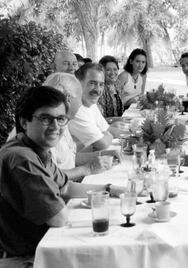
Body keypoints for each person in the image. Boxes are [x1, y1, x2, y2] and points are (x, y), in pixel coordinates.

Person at [0, 86, 125, 266]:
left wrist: (110, 189)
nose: (55, 126)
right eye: (45, 118)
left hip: (38, 247)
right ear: (24, 121)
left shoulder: (35, 148)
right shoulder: (21, 158)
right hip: (25, 259)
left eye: (60, 119)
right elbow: (58, 218)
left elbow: (66, 186)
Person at [70, 63, 126, 151]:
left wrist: (134, 134)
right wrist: (105, 134)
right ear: (78, 83)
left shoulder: (91, 104)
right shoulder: (76, 110)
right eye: (92, 83)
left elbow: (108, 129)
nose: (98, 90)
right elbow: (102, 144)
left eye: (101, 85)